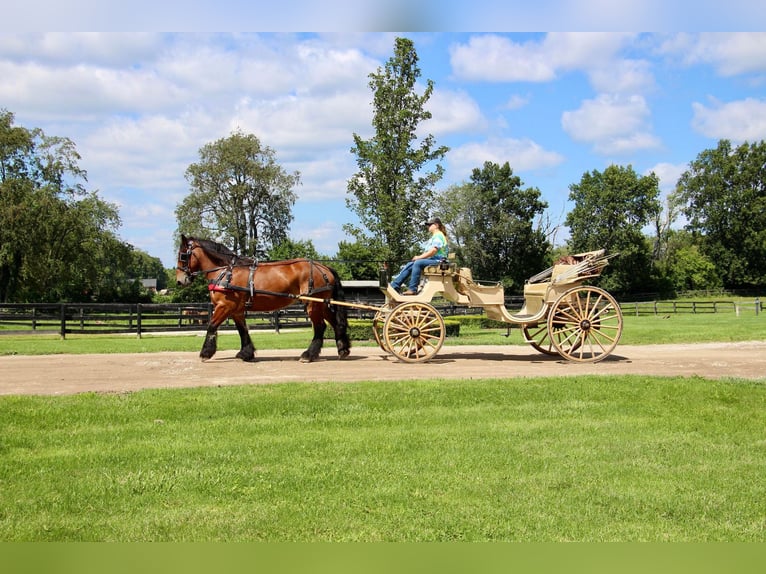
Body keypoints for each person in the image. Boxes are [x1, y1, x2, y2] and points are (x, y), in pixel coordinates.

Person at [390, 217, 449, 295]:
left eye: (430, 225)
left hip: (440, 261)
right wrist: (418, 258)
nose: (428, 226)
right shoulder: (435, 236)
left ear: (436, 225)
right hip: (434, 260)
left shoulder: (438, 235)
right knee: (410, 264)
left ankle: (412, 289)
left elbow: (433, 251)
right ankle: (395, 285)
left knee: (418, 263)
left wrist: (419, 257)